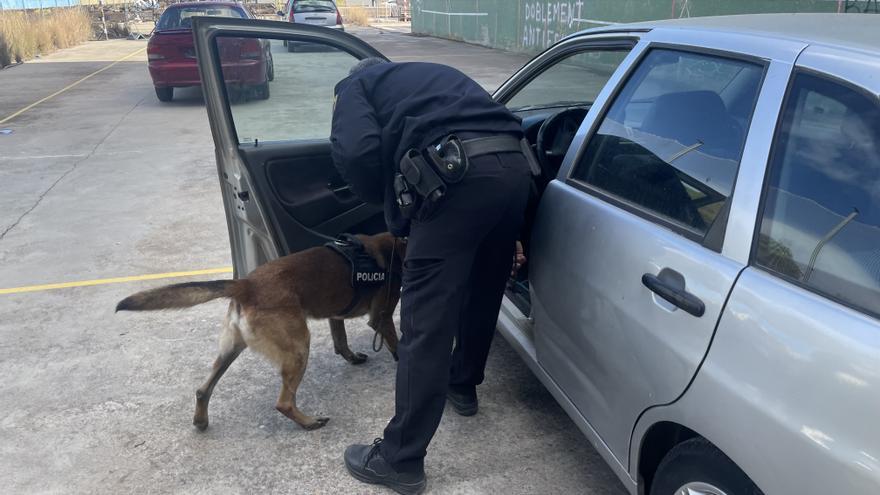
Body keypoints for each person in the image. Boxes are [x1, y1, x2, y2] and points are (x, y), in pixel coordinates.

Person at [330, 58, 532, 495]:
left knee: (425, 323)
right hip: (516, 170)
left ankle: (399, 459)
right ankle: (463, 385)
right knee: (484, 292)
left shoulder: (354, 86)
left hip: (456, 179)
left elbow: (358, 152)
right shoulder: (426, 77)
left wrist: (396, 210)